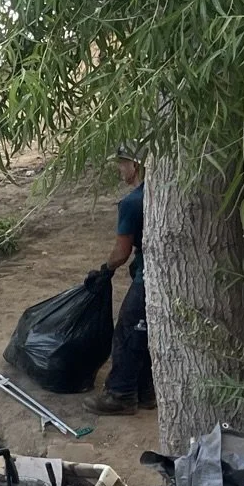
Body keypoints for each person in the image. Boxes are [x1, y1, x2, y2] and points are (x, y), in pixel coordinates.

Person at [88, 150, 154, 414]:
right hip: (158, 273)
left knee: (129, 330)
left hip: (148, 275)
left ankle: (121, 395)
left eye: (122, 164)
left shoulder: (131, 203)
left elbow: (121, 252)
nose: (119, 170)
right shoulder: (158, 193)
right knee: (147, 330)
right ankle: (146, 392)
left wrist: (106, 269)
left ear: (135, 166)